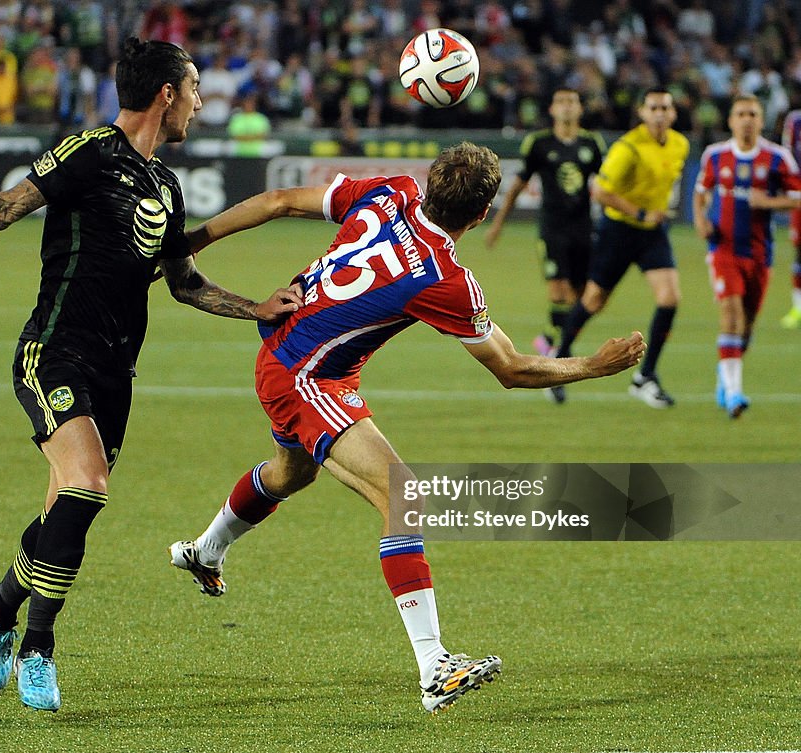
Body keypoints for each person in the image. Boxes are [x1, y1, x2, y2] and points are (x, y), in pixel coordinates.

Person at [0, 38, 302, 713]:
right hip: (54, 349)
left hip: (115, 371)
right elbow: (11, 203)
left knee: (62, 513)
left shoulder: (166, 184)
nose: (197, 102)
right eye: (192, 89)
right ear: (166, 93)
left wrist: (256, 308)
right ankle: (37, 649)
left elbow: (183, 283)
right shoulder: (91, 150)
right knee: (88, 483)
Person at [167, 142, 646, 713]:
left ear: (430, 181)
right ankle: (433, 665)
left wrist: (192, 240)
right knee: (403, 495)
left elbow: (277, 201)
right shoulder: (446, 279)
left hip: (292, 354)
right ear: (482, 214)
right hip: (307, 375)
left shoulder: (390, 190)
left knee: (291, 473)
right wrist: (592, 365)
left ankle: (205, 550)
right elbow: (512, 369)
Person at [553, 88, 689, 408]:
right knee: (594, 300)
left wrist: (650, 217)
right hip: (619, 231)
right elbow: (599, 191)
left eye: (664, 108)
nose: (659, 113)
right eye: (653, 107)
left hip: (653, 233)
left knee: (670, 297)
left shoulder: (680, 144)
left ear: (673, 113)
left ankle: (646, 376)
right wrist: (639, 212)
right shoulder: (628, 147)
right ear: (642, 112)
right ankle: (559, 360)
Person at [484, 89, 606, 403]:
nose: (567, 106)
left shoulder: (592, 144)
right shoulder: (539, 143)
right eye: (561, 101)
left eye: (572, 101)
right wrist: (498, 224)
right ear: (552, 109)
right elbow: (516, 187)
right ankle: (559, 364)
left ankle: (549, 340)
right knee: (559, 293)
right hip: (553, 231)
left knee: (585, 297)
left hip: (584, 231)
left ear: (580, 108)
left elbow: (607, 185)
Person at [693, 95, 801, 418]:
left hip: (759, 253)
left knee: (747, 326)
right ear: (730, 121)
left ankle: (725, 375)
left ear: (761, 119)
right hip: (723, 250)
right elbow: (700, 193)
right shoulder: (715, 156)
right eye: (741, 114)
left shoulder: (777, 158)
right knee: (731, 315)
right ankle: (735, 393)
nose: (747, 119)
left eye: (753, 114)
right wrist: (700, 221)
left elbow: (797, 197)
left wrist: (767, 203)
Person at [780, 107, 801, 328]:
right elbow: (788, 154)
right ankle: (798, 307)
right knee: (800, 251)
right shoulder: (795, 121)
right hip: (800, 195)